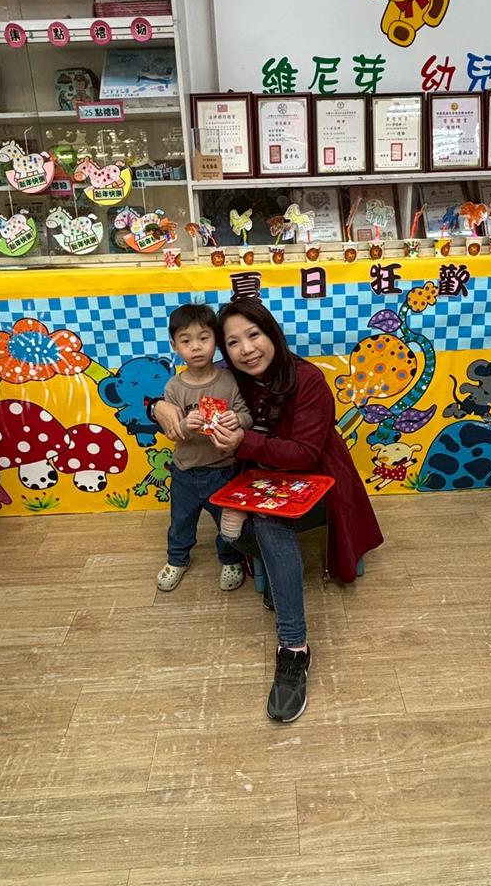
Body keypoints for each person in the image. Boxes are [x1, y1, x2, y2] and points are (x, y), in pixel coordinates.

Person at [212, 297, 383, 723]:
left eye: (253, 335)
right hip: (261, 482)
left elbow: (305, 454)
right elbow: (187, 389)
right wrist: (160, 408)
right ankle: (276, 571)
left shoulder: (307, 380)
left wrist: (243, 442)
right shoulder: (229, 380)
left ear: (271, 332)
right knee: (223, 519)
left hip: (321, 485)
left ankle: (294, 648)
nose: (246, 349)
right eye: (233, 342)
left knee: (268, 520)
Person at [151, 303, 252, 592]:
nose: (196, 347)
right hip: (186, 472)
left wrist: (237, 419)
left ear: (215, 340)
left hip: (224, 470)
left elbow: (246, 415)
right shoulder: (173, 388)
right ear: (174, 346)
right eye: (186, 341)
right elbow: (173, 433)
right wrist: (185, 425)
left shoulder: (229, 381)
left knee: (228, 523)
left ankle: (230, 559)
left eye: (203, 338)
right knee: (181, 522)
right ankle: (177, 559)